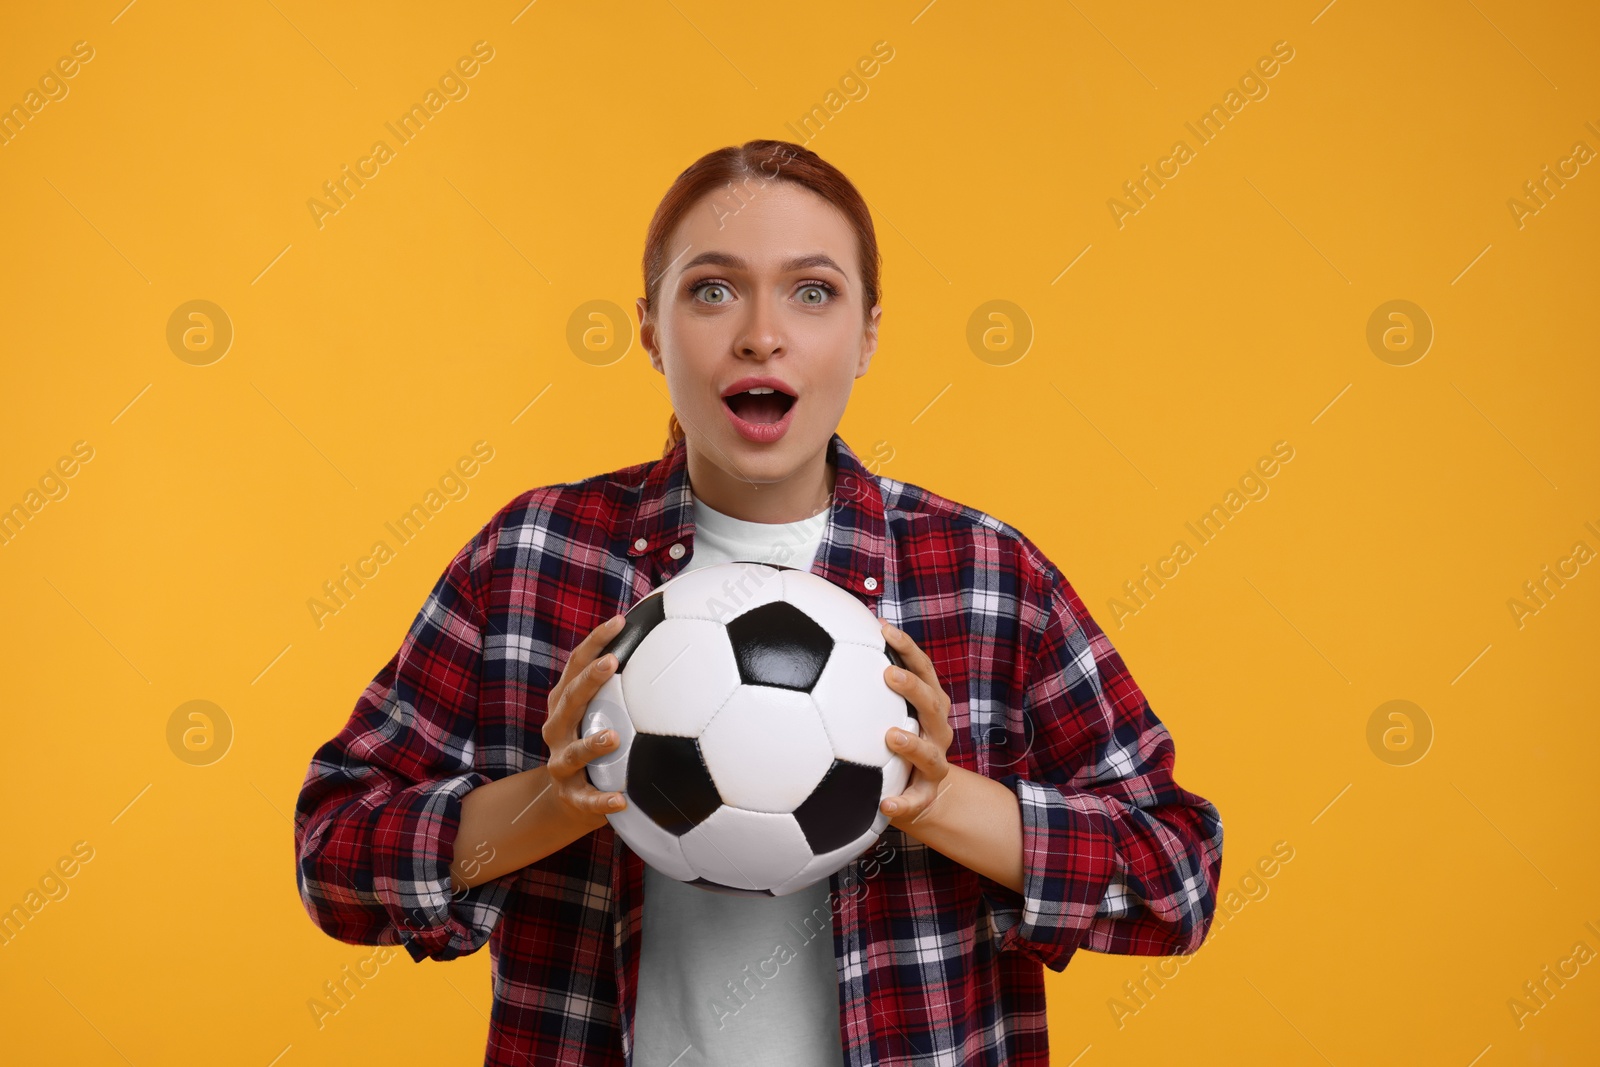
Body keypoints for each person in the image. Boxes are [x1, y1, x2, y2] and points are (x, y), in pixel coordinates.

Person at [293, 139, 1224, 1067]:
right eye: (712, 289)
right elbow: (333, 854)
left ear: (866, 333)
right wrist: (555, 799)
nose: (761, 334)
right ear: (651, 327)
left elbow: (1177, 879)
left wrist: (943, 803)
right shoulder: (534, 556)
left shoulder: (985, 575)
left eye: (812, 291)